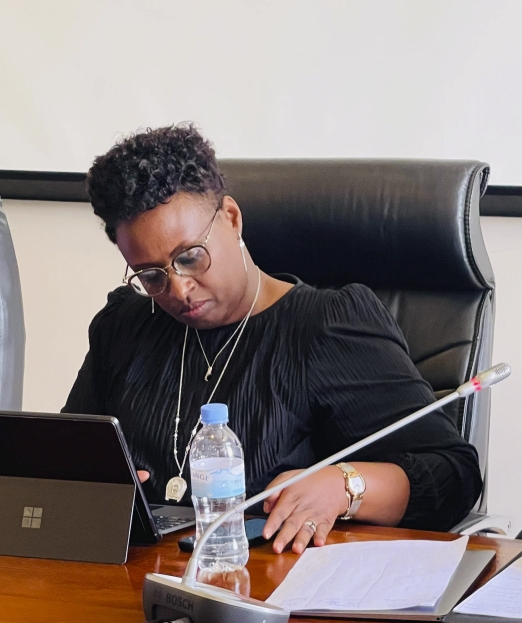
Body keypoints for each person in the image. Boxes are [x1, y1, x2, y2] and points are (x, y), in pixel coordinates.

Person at [64, 124, 482, 554]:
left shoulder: (327, 328)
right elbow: (61, 461)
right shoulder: (123, 328)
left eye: (189, 257)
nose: (179, 289)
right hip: (130, 577)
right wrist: (93, 485)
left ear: (231, 218)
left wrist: (344, 486)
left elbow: (454, 474)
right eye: (151, 275)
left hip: (272, 580)